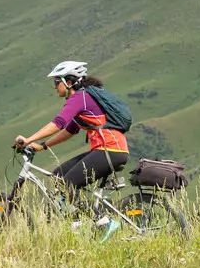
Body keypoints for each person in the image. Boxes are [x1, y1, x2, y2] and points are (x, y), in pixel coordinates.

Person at [13, 60, 129, 191]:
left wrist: (28, 140)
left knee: (67, 185)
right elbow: (69, 131)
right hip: (107, 150)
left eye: (57, 82)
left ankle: (76, 205)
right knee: (57, 176)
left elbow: (58, 123)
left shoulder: (80, 98)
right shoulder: (83, 98)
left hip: (110, 150)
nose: (54, 87)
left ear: (68, 82)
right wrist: (42, 146)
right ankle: (78, 204)